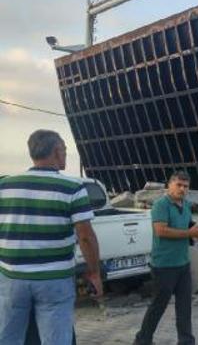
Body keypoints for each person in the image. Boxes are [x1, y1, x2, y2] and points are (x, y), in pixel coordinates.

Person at [0, 129, 102, 344]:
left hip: (11, 279)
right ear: (57, 151)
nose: (65, 155)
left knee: (8, 337)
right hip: (54, 280)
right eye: (65, 150)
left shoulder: (5, 185)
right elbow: (85, 237)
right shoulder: (72, 188)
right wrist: (94, 273)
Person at [134, 171, 198, 345]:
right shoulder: (161, 205)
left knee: (184, 307)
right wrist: (189, 233)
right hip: (164, 265)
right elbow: (161, 230)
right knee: (158, 306)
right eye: (179, 185)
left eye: (186, 186)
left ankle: (186, 341)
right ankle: (142, 340)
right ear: (170, 185)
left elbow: (188, 225)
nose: (182, 189)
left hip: (183, 263)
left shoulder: (186, 205)